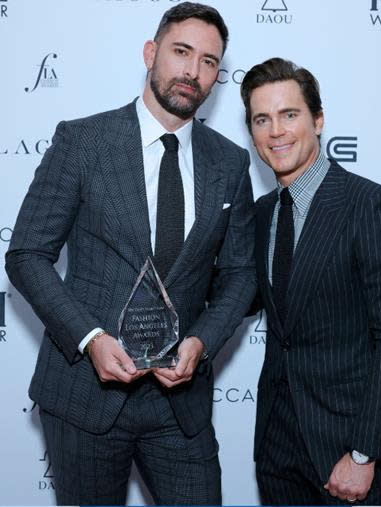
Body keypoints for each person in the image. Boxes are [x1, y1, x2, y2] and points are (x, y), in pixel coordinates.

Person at [5, 2, 256, 505]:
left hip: (178, 406)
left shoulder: (229, 162)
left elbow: (241, 274)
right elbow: (27, 254)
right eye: (181, 52)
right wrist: (90, 337)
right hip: (85, 396)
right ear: (151, 52)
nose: (193, 71)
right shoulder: (83, 142)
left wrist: (202, 342)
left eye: (209, 61)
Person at [239, 57, 381, 506]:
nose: (276, 131)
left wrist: (364, 453)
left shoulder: (372, 206)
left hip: (344, 450)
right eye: (262, 119)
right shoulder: (259, 215)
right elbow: (238, 299)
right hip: (276, 449)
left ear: (318, 120)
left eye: (289, 115)